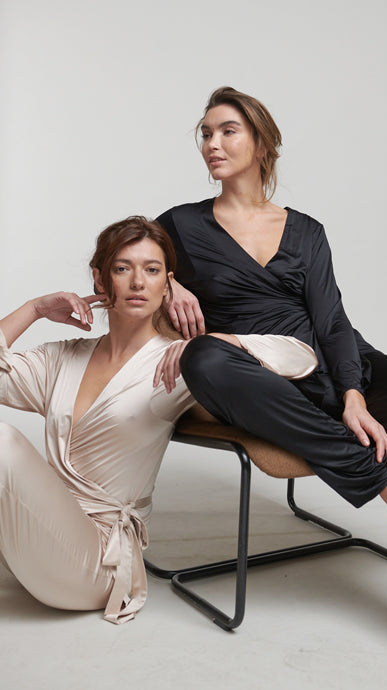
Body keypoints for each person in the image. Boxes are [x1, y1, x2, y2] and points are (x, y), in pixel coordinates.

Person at [154, 87, 387, 684]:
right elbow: (118, 268)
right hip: (262, 383)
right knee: (205, 359)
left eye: (227, 131)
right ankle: (385, 481)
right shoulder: (179, 226)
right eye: (205, 133)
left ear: (261, 143)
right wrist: (169, 281)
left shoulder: (306, 231)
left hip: (343, 366)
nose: (211, 143)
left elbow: (333, 323)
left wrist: (354, 395)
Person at [0, 215, 316, 625]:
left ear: (167, 284)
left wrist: (213, 345)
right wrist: (34, 309)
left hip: (96, 565)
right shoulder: (63, 357)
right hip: (35, 540)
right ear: (100, 279)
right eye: (122, 268)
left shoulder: (176, 362)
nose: (137, 282)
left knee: (3, 441)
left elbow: (301, 357)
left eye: (151, 270)